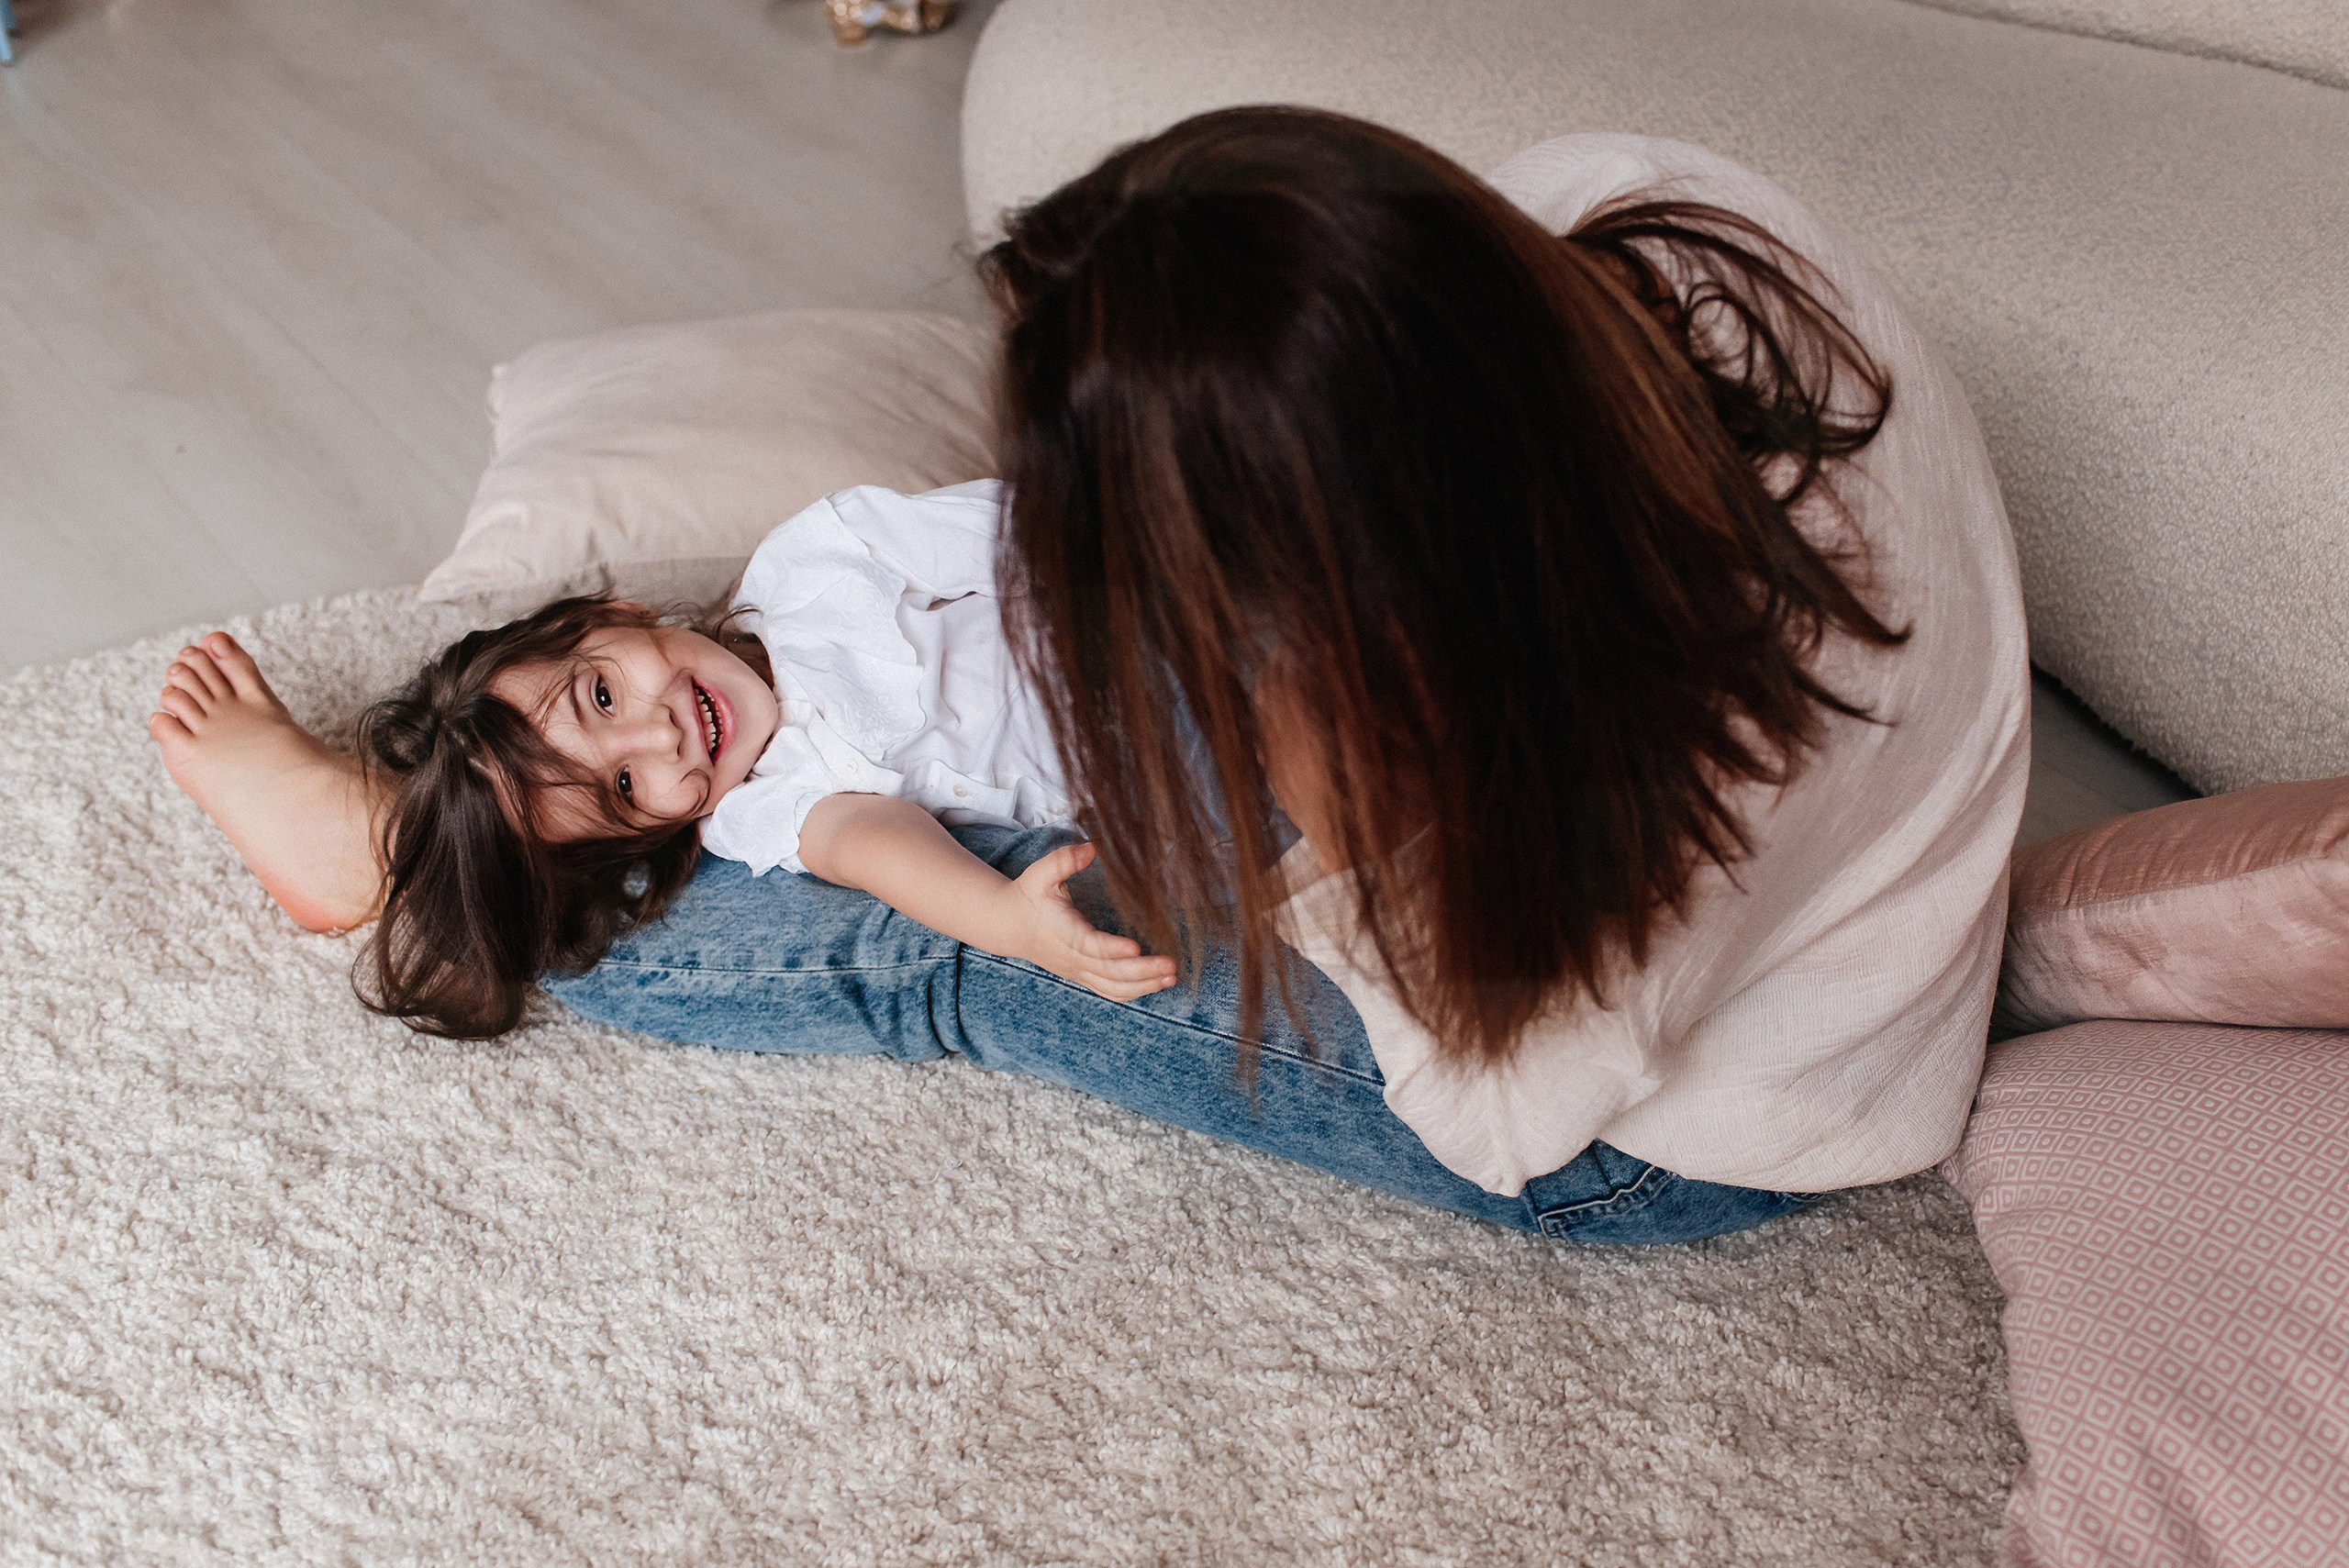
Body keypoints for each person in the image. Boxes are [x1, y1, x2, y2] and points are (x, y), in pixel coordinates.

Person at [152, 109, 2028, 1245]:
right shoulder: (1610, 209)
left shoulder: (1592, 780)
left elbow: (1497, 1100)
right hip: (1662, 850)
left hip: (1663, 1119)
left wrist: (1278, 831)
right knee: (919, 853)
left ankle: (417, 857)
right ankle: (456, 827)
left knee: (959, 948)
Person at [153, 480, 1176, 1040]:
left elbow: (1027, 531)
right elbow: (872, 842)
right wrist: (1003, 919)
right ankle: (410, 854)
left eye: (602, 694)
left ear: (617, 614)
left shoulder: (815, 563)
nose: (662, 738)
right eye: (627, 789)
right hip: (1183, 784)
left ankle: (390, 849)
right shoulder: (751, 810)